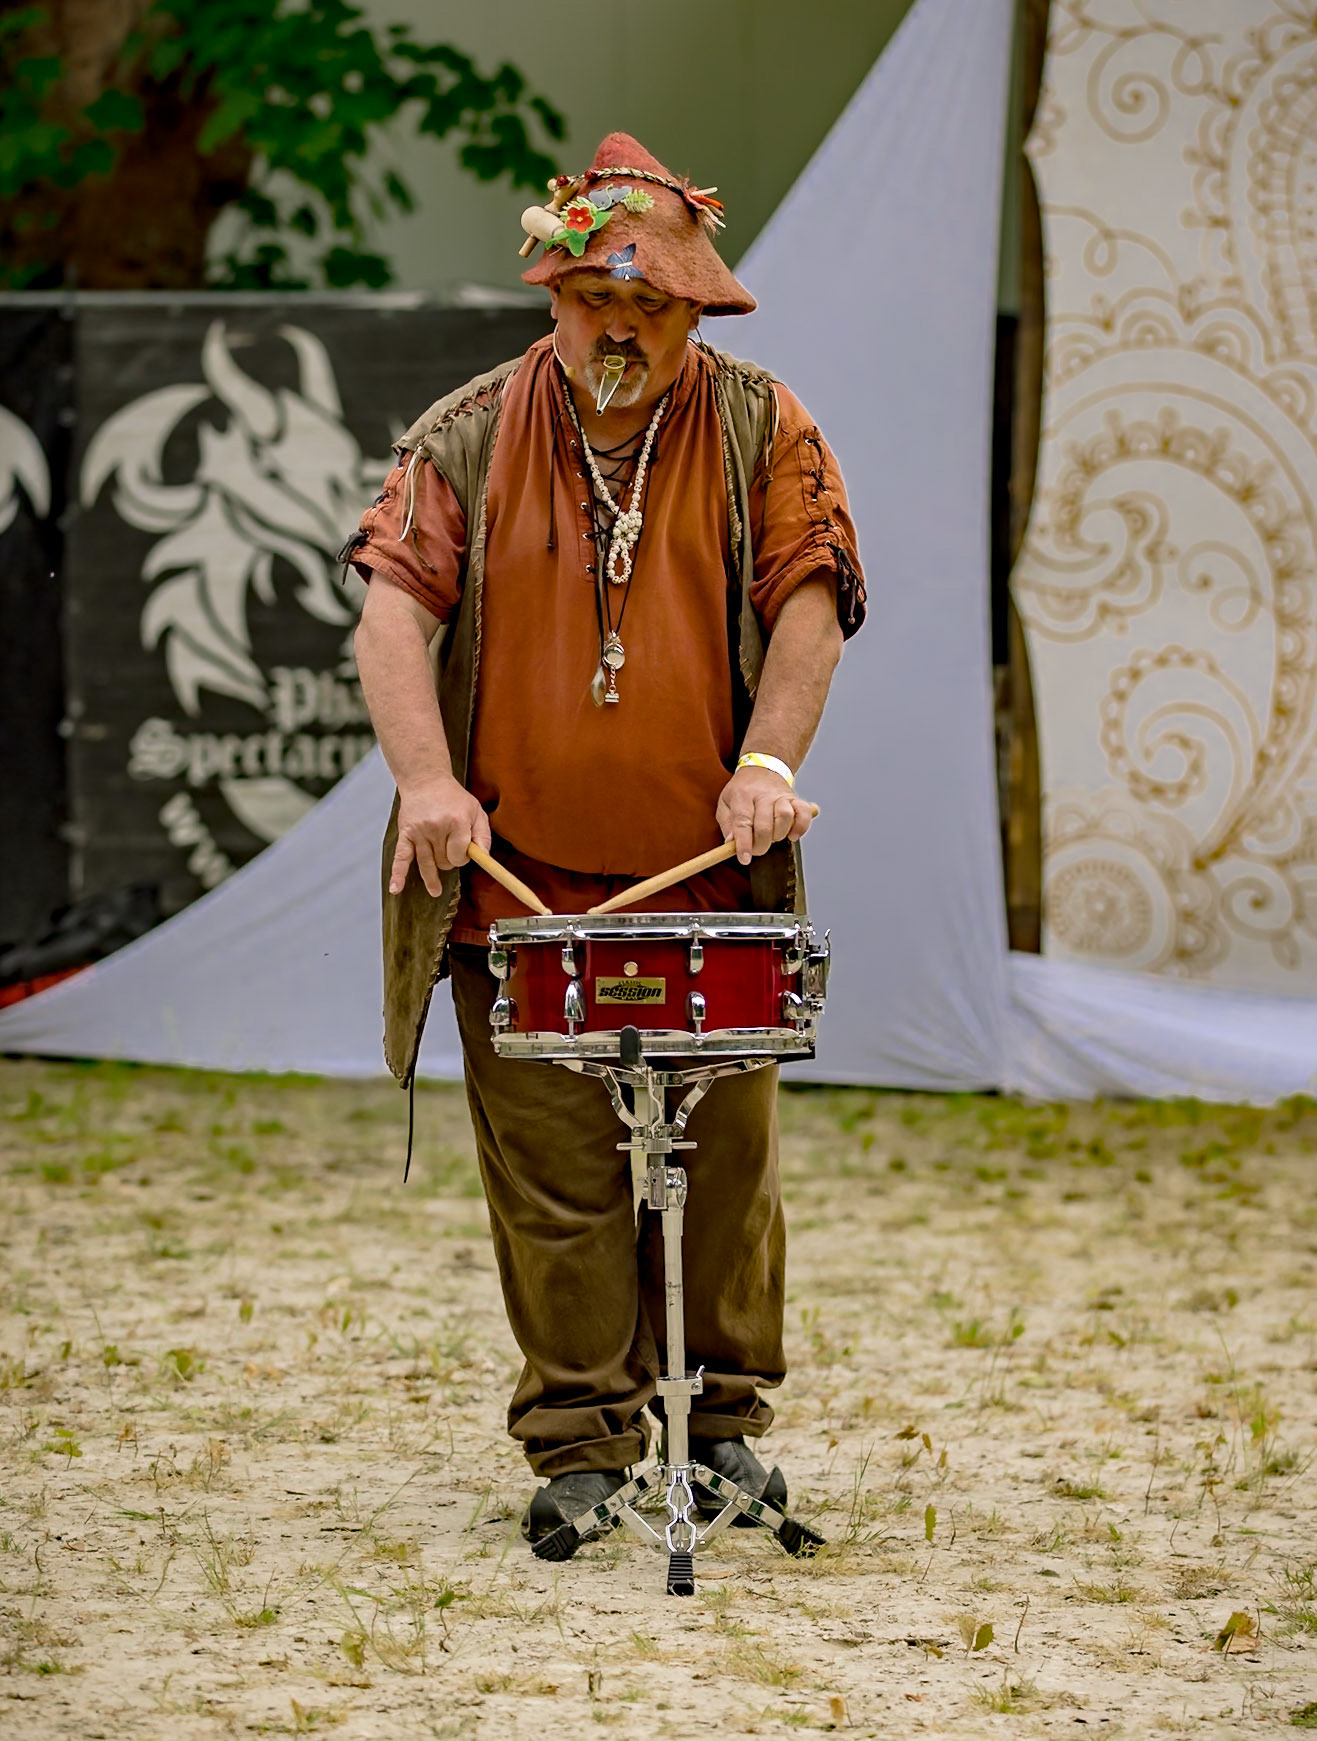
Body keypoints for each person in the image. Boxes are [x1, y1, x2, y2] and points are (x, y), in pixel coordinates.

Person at [346, 133, 865, 1541]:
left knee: (726, 1173)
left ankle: (719, 1431)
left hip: (714, 885)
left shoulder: (765, 425)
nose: (620, 329)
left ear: (692, 311)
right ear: (553, 300)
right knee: (559, 1185)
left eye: (649, 308)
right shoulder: (462, 433)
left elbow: (810, 594)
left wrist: (767, 757)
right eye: (594, 303)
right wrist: (425, 782)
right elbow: (392, 608)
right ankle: (579, 1440)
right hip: (516, 892)